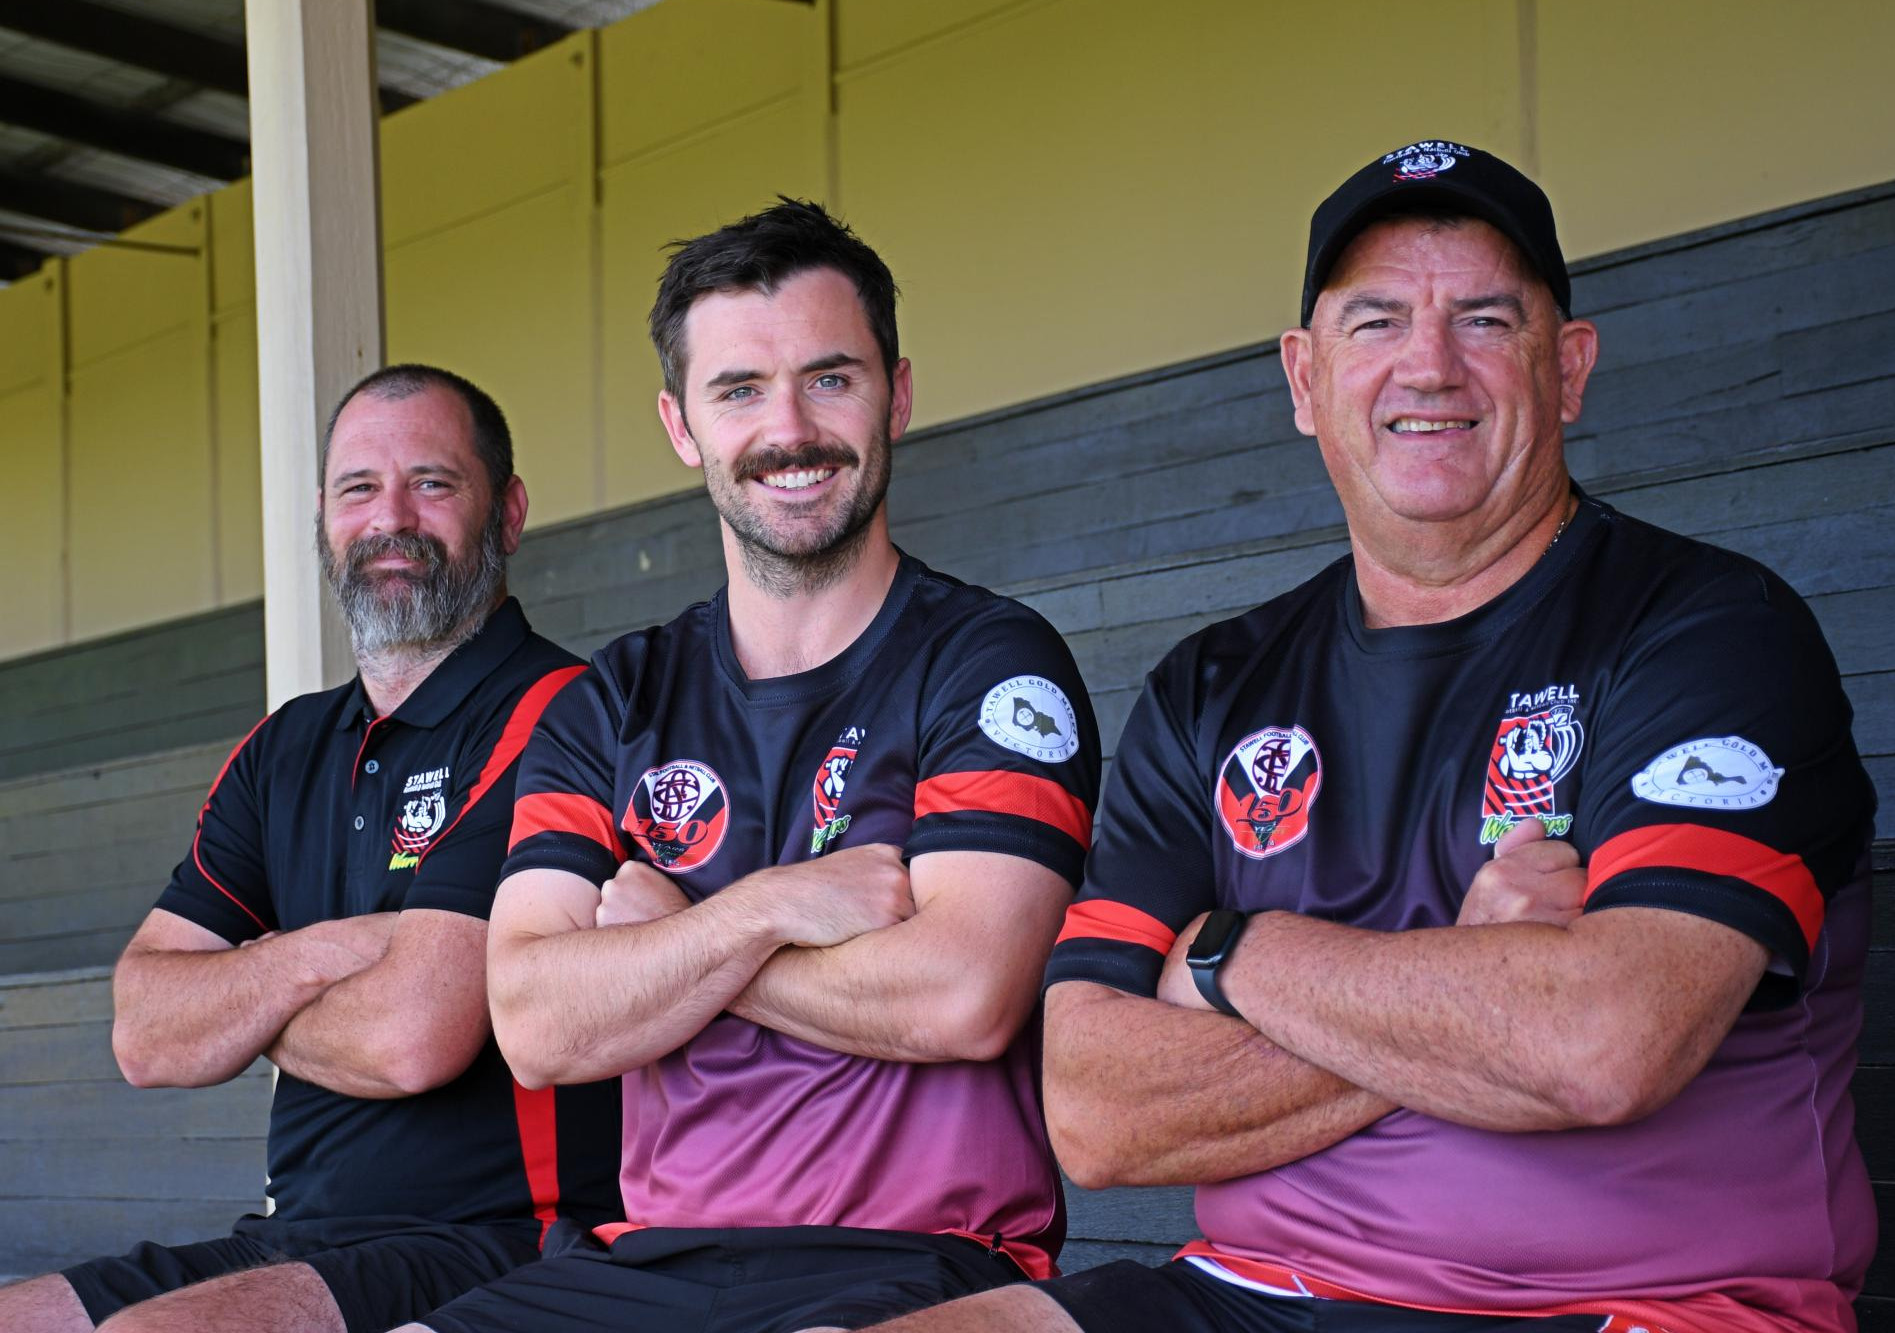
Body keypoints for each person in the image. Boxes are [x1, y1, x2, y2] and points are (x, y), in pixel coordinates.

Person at [858, 142, 1876, 1333]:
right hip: (1246, 1295)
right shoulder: (1213, 684)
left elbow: (1600, 1042)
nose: (1429, 365)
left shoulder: (1706, 630)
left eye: (1485, 318)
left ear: (1569, 369)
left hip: (1634, 1305)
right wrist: (1470, 981)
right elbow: (1093, 1111)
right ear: (1302, 378)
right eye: (1376, 319)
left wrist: (1230, 956)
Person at [400, 200, 1100, 1333]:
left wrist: (672, 941)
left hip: (918, 1261)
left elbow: (965, 995)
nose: (789, 428)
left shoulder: (987, 662)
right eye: (739, 391)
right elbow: (535, 1024)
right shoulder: (608, 702)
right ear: (681, 425)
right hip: (643, 1263)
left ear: (897, 394)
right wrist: (769, 908)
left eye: (829, 378)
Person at [0, 365, 621, 1333]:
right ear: (325, 518)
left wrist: (238, 995)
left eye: (433, 482)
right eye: (357, 488)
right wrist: (330, 952)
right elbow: (146, 1034)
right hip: (298, 1230)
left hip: (505, 1236)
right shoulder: (283, 745)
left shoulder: (564, 714)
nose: (391, 518)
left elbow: (410, 1037)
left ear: (507, 512)